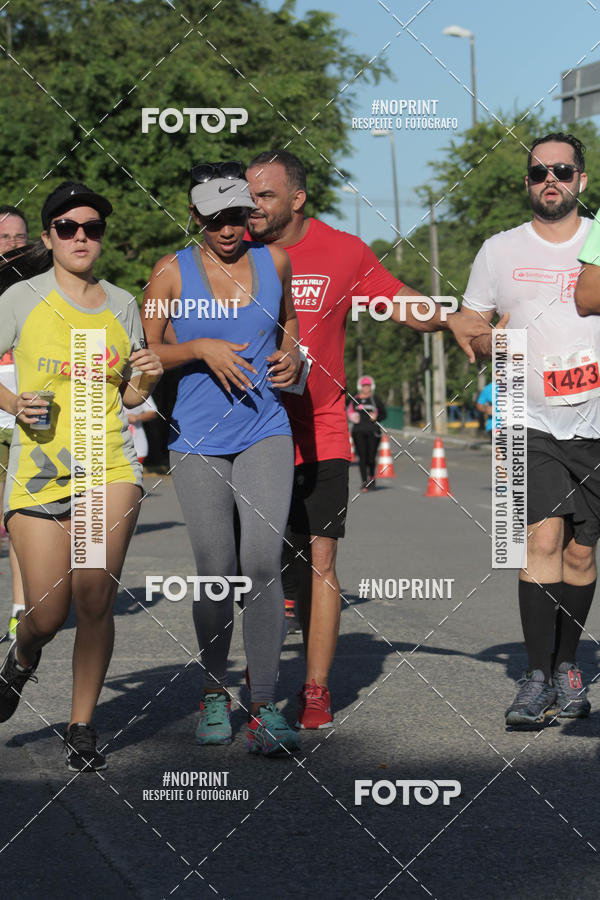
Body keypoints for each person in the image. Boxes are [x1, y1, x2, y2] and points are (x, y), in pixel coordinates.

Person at [245, 149, 491, 729]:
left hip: (323, 428)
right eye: (247, 196)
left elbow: (397, 301)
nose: (252, 207)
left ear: (297, 199)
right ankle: (251, 685)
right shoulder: (234, 252)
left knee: (322, 560)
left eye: (265, 196)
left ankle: (315, 689)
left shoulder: (342, 252)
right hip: (252, 433)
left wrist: (451, 316)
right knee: (262, 565)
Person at [0, 180, 162, 770]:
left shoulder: (122, 303)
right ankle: (20, 660)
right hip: (39, 470)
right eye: (67, 228)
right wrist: (14, 403)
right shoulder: (21, 298)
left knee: (95, 597)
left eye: (91, 227)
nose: (80, 237)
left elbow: (133, 392)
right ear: (48, 238)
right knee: (47, 613)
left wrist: (146, 374)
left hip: (105, 466)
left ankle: (81, 724)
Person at [143, 161, 301, 756]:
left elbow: (288, 326)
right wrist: (200, 346)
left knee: (262, 565)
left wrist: (295, 360)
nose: (229, 230)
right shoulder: (170, 272)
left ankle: (263, 705)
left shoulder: (274, 262)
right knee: (216, 573)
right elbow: (149, 352)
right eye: (215, 219)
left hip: (265, 429)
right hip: (197, 438)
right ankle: (214, 691)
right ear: (195, 216)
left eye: (237, 216)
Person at [461, 132, 598, 726]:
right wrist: (484, 337)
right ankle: (537, 676)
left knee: (581, 554)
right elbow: (469, 318)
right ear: (527, 183)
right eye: (540, 171)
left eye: (562, 170)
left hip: (595, 420)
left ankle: (569, 663)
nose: (552, 179)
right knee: (540, 541)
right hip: (527, 416)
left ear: (581, 182)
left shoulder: (598, 243)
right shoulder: (498, 249)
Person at [0, 208, 29, 640]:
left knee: (21, 520)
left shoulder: (39, 291)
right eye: (3, 236)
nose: (11, 244)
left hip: (28, 419)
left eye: (20, 237)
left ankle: (22, 610)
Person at [347, 375, 386, 491]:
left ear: (372, 386)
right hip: (358, 432)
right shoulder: (354, 399)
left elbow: (384, 414)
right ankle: (364, 482)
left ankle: (372, 479)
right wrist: (352, 416)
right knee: (362, 457)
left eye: (368, 386)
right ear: (360, 387)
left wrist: (377, 417)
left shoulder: (375, 400)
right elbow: (348, 411)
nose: (366, 388)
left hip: (373, 432)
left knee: (371, 457)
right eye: (364, 386)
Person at [127, 395, 158, 464]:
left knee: (133, 473)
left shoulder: (140, 390)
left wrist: (136, 417)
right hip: (108, 445)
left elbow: (153, 412)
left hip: (135, 445)